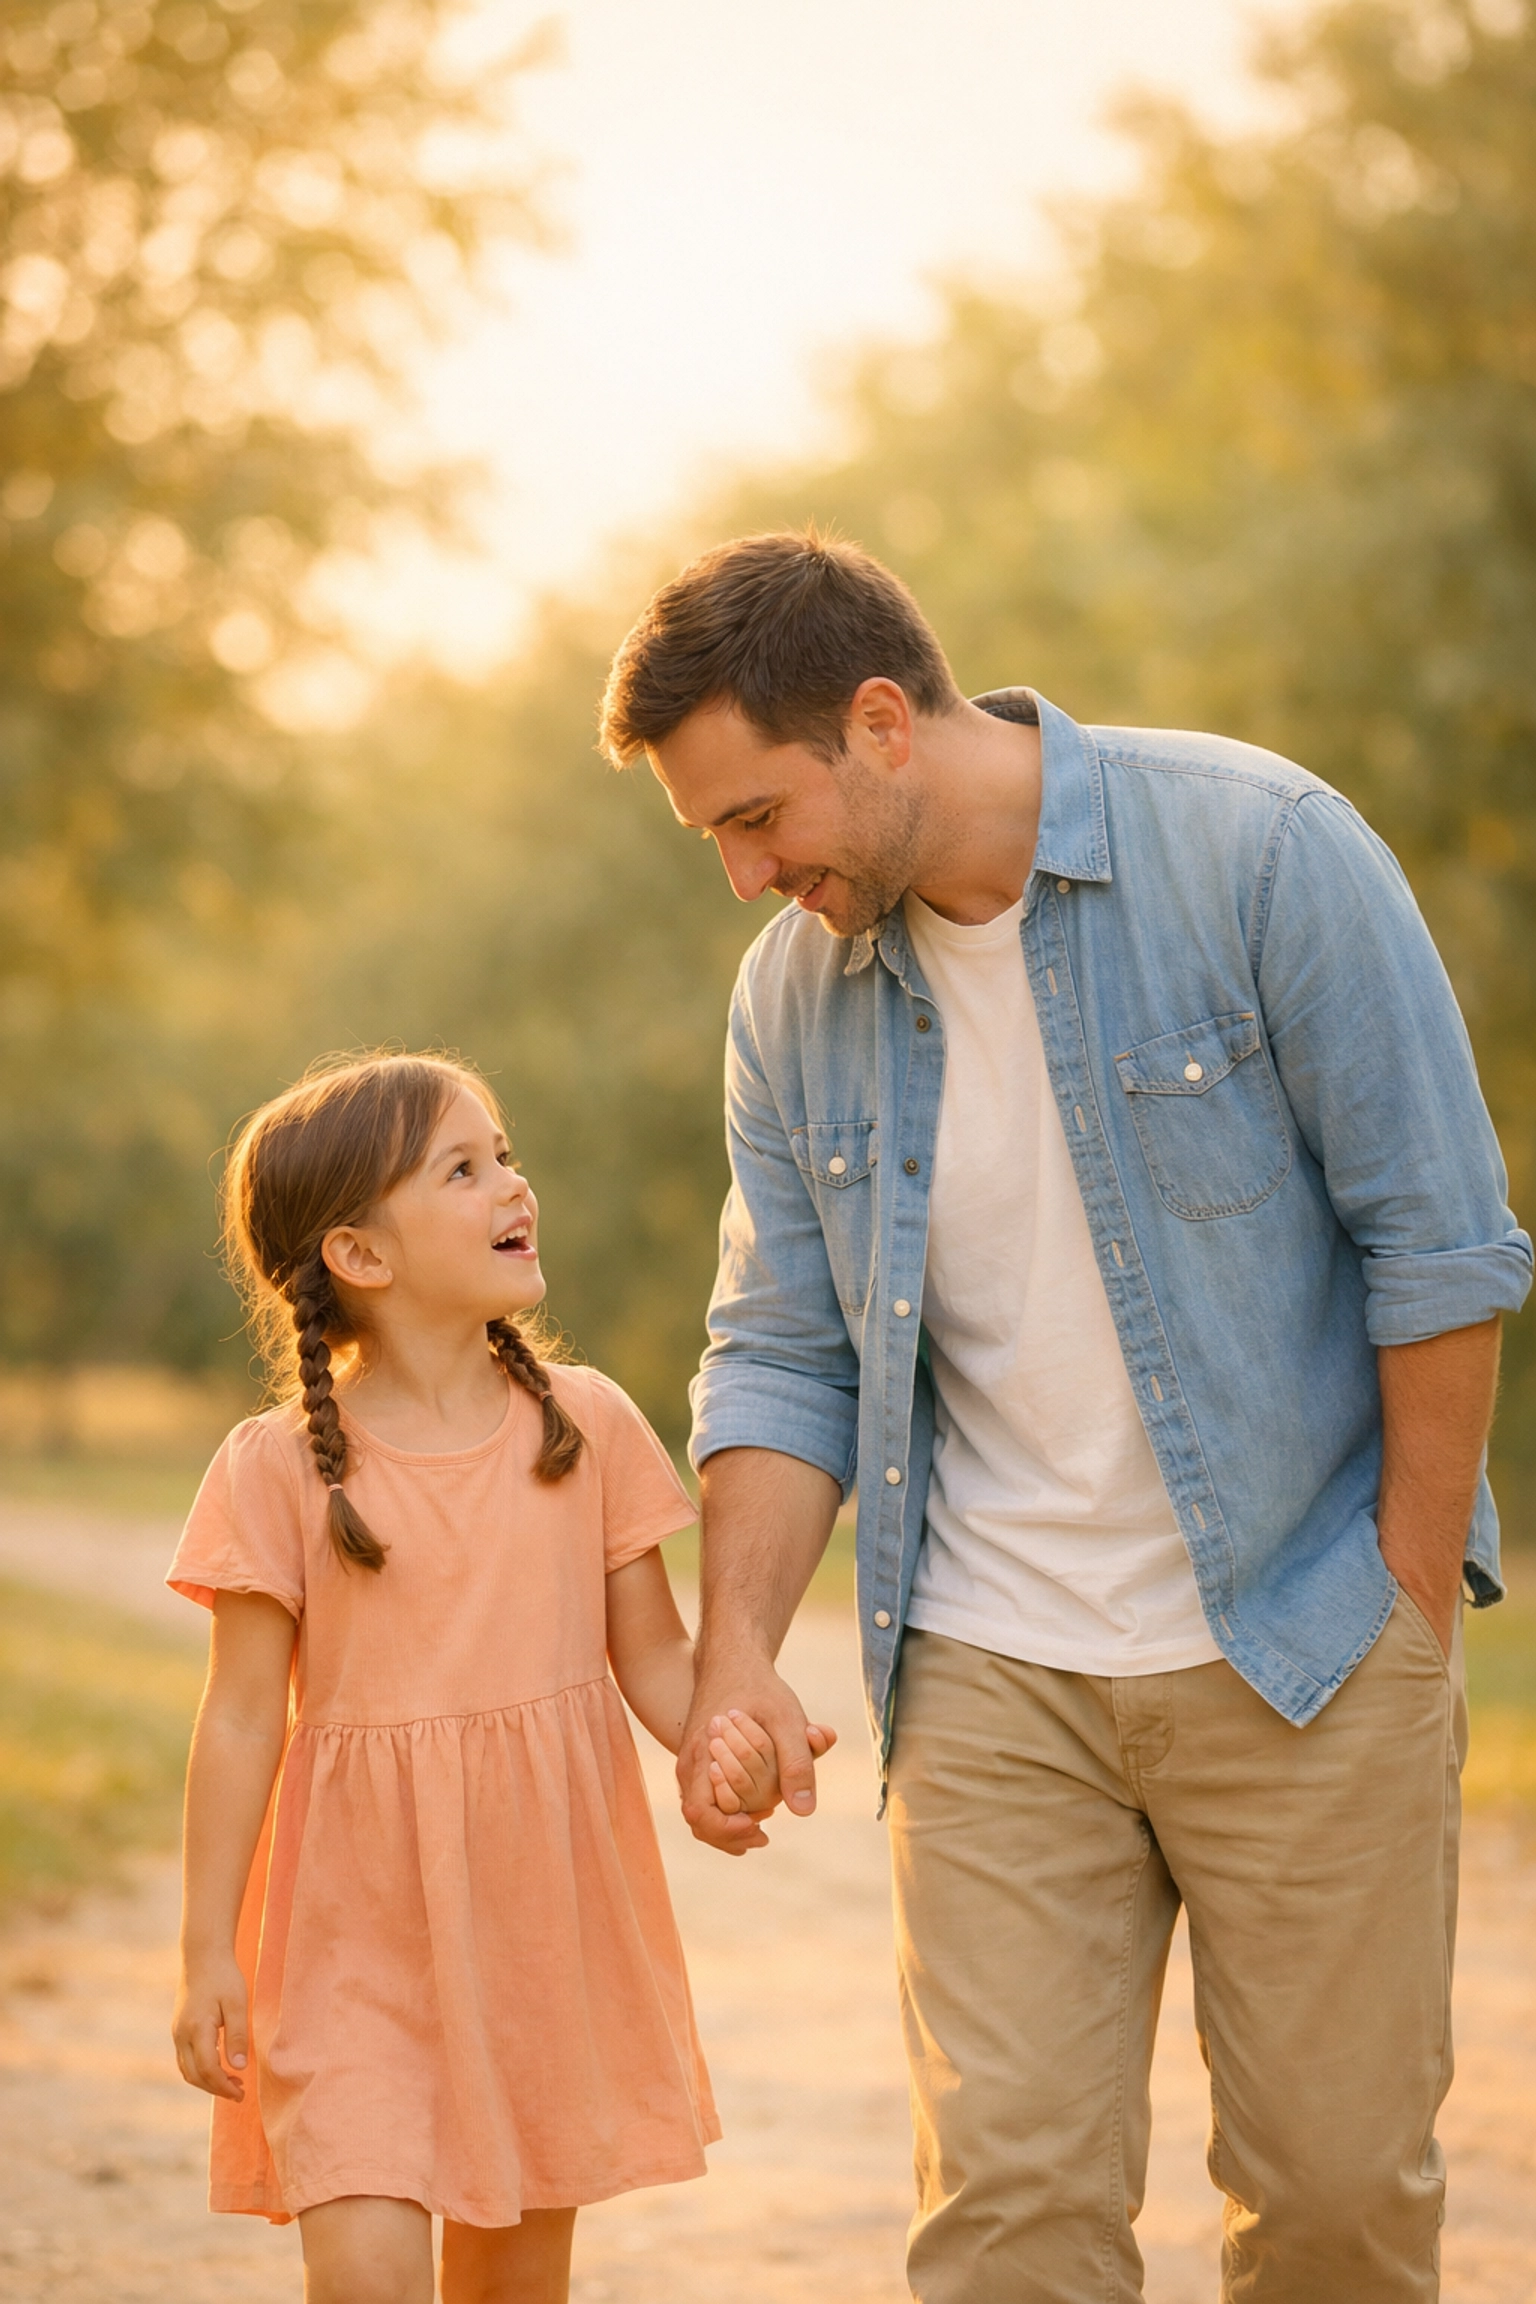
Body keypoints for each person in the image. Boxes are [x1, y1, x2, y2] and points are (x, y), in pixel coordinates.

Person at [598, 529, 1533, 2303]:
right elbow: (783, 1344)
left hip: (1306, 1633)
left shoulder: (1263, 849)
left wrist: (1409, 1585)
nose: (741, 874)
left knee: (1333, 2210)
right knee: (1009, 2224)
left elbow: (1440, 1237)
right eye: (716, 834)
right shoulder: (792, 999)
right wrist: (733, 1650)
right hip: (986, 1668)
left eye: (754, 815)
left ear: (882, 721)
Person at [168, 1051, 825, 2304]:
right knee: (362, 2268)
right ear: (360, 1254)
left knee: (514, 2287)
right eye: (462, 1170)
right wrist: (208, 1949)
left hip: (539, 1934)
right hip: (349, 1940)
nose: (511, 1184)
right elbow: (243, 1717)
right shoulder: (275, 1468)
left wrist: (728, 1743)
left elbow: (659, 1663)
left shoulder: (580, 1426)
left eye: (505, 1156)